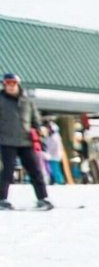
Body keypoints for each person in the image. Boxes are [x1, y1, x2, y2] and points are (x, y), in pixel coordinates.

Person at [0, 72, 52, 210]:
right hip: (7, 141)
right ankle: (2, 199)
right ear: (4, 85)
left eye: (13, 83)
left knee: (35, 170)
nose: (10, 86)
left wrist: (40, 129)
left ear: (18, 84)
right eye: (7, 84)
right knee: (7, 172)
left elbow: (36, 120)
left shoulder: (27, 101)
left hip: (26, 142)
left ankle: (43, 198)